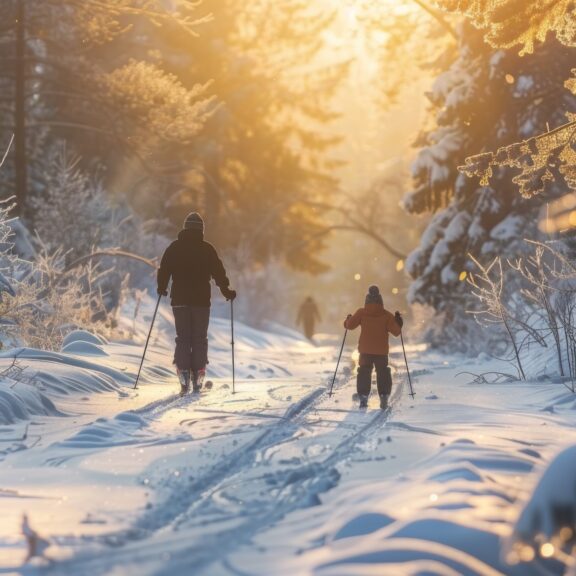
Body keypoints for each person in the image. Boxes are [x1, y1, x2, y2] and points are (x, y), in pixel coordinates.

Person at [157, 212, 236, 394]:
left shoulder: (174, 248)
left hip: (179, 300)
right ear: (201, 230)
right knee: (199, 337)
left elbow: (164, 270)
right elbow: (219, 273)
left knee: (183, 337)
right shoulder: (207, 249)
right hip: (201, 302)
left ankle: (183, 373)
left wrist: (162, 287)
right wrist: (226, 291)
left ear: (185, 227)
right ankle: (198, 374)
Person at [344, 285, 403, 409]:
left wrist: (348, 320)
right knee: (383, 372)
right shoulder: (387, 315)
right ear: (380, 300)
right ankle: (384, 397)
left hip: (365, 350)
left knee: (364, 371)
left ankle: (363, 397)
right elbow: (397, 332)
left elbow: (349, 326)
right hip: (381, 351)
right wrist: (399, 322)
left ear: (367, 298)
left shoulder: (361, 312)